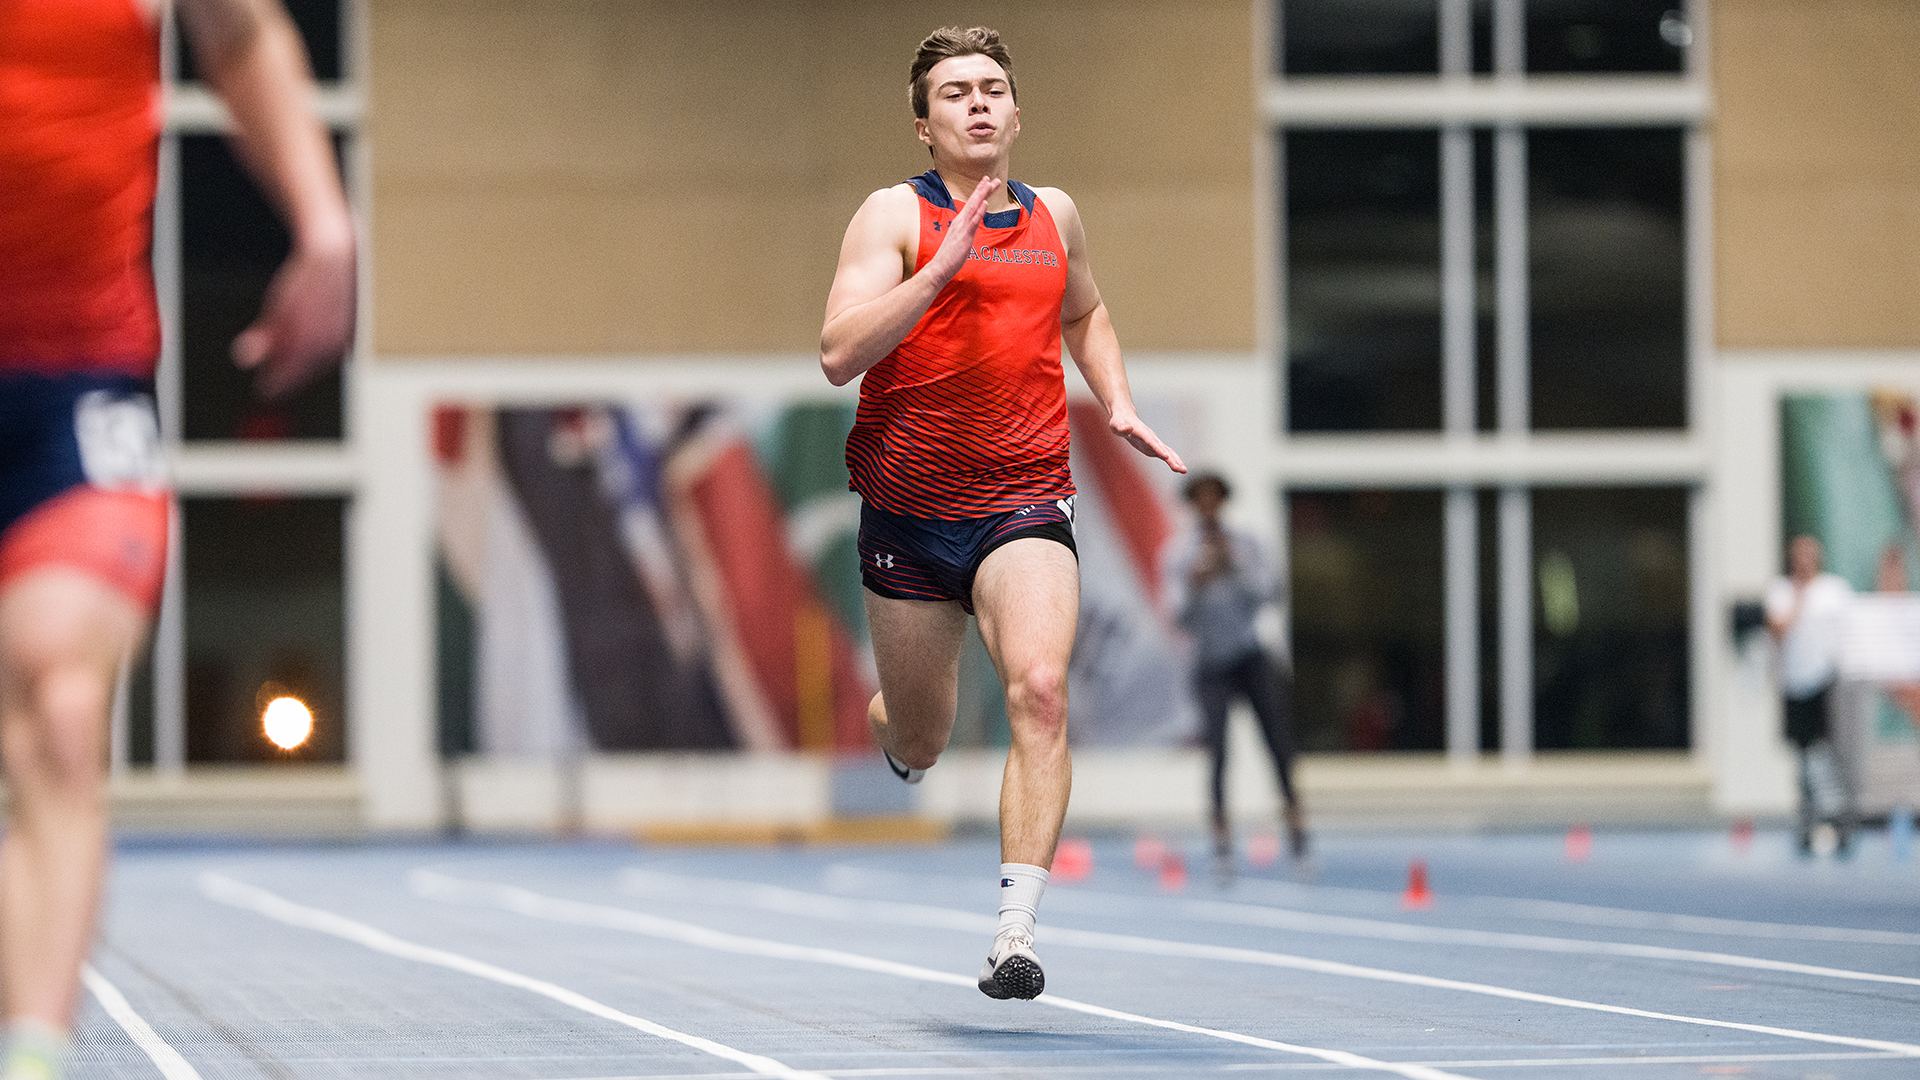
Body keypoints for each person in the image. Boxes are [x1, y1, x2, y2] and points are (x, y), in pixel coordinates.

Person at [0, 2, 354, 1075]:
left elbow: (240, 37)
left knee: (61, 715)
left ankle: (34, 1051)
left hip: (79, 378)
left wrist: (324, 224)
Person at [820, 26, 1184, 1000]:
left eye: (991, 88)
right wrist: (934, 277)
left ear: (1016, 114)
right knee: (922, 739)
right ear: (923, 123)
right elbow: (837, 352)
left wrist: (1118, 398)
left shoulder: (1054, 215)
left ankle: (1014, 933)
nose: (976, 103)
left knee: (1039, 690)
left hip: (1021, 500)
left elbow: (1084, 311)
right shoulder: (892, 217)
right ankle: (897, 721)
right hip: (905, 518)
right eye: (954, 92)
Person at [1163, 473, 1306, 878]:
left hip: (1250, 656)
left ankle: (1298, 834)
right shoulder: (1178, 554)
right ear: (1192, 504)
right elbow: (1176, 615)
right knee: (1219, 754)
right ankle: (1222, 844)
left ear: (1224, 501)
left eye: (1215, 499)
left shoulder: (1247, 544)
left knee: (1279, 745)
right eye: (1201, 499)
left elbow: (1269, 594)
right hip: (1210, 664)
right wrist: (1195, 583)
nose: (1208, 507)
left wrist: (1234, 568)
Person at [1765, 535, 1855, 856]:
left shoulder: (1834, 591)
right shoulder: (1781, 592)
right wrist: (1799, 598)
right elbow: (1777, 630)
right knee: (1804, 759)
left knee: (1829, 756)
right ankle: (1808, 821)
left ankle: (1839, 820)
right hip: (1795, 685)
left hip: (1827, 684)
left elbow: (1849, 636)